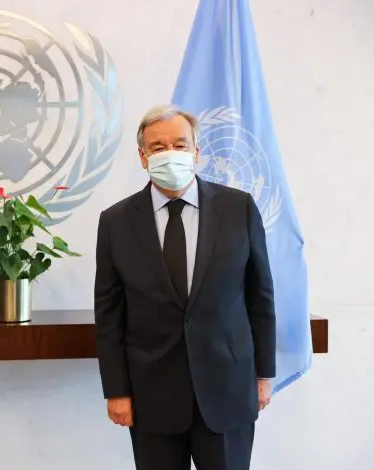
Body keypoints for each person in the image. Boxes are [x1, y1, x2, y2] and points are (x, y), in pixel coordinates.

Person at [93, 105, 276, 470]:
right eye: (158, 147)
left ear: (196, 151)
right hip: (152, 396)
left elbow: (260, 296)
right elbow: (110, 315)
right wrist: (116, 391)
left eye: (179, 144)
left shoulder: (238, 208)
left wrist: (263, 374)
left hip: (228, 388)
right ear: (143, 157)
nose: (170, 153)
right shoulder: (115, 222)